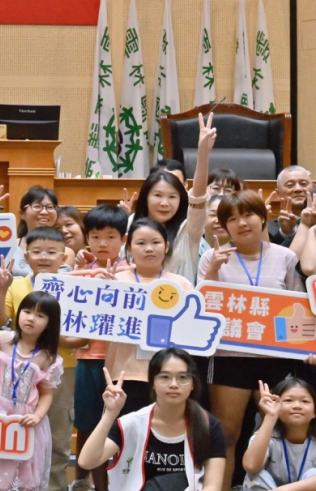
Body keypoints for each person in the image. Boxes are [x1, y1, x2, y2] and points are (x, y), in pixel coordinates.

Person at [199, 189, 305, 490]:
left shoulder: (285, 256)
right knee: (228, 434)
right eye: (231, 218)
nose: (241, 223)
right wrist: (216, 268)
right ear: (224, 226)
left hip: (275, 357)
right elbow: (202, 306)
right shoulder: (212, 256)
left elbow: (297, 307)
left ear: (263, 217)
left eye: (247, 214)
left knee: (286, 428)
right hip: (229, 357)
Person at [0, 226, 82, 491]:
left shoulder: (77, 288)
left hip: (60, 371)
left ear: (64, 257)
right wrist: (1, 288)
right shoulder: (16, 285)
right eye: (37, 251)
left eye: (52, 252)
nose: (44, 257)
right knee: (11, 438)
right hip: (15, 374)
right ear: (25, 256)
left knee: (58, 440)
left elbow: (82, 338)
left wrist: (47, 338)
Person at [77, 347, 226, 490]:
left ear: (193, 384)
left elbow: (212, 485)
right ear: (152, 383)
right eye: (165, 377)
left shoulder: (209, 425)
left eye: (183, 377)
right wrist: (110, 413)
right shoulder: (132, 423)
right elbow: (87, 461)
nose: (174, 384)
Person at [0, 292, 63, 491]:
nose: (31, 318)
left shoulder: (47, 356)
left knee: (24, 473)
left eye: (40, 316)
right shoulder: (0, 338)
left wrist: (38, 415)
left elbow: (46, 393)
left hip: (26, 420)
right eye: (27, 311)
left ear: (50, 323)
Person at [101, 218, 194, 417]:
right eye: (141, 243)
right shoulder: (115, 281)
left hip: (169, 376)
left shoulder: (182, 285)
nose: (149, 249)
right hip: (123, 374)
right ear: (129, 248)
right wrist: (102, 292)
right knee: (123, 436)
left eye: (156, 243)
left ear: (166, 246)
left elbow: (189, 331)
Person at [70, 204, 130, 491]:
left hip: (122, 362)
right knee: (86, 423)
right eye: (95, 237)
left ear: (124, 240)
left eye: (110, 236)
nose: (102, 243)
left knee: (116, 427)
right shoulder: (80, 271)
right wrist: (77, 270)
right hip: (88, 358)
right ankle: (83, 482)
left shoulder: (131, 272)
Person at [132, 113, 215, 283]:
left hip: (177, 303)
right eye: (157, 195)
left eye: (172, 197)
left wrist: (203, 154)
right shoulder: (131, 222)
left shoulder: (188, 228)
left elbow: (198, 198)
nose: (164, 203)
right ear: (145, 197)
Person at [242, 378, 316, 490]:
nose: (297, 406)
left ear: (314, 412)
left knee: (313, 473)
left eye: (305, 401)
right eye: (288, 401)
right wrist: (270, 416)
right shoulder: (267, 435)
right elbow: (251, 466)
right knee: (256, 475)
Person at [12, 186, 61, 277]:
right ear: (22, 214)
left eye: (50, 207)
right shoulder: (10, 247)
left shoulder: (67, 252)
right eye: (37, 206)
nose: (44, 212)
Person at [267, 166, 314, 246]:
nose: (298, 189)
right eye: (290, 185)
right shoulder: (268, 228)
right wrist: (285, 233)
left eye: (303, 184)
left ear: (313, 188)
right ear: (278, 194)